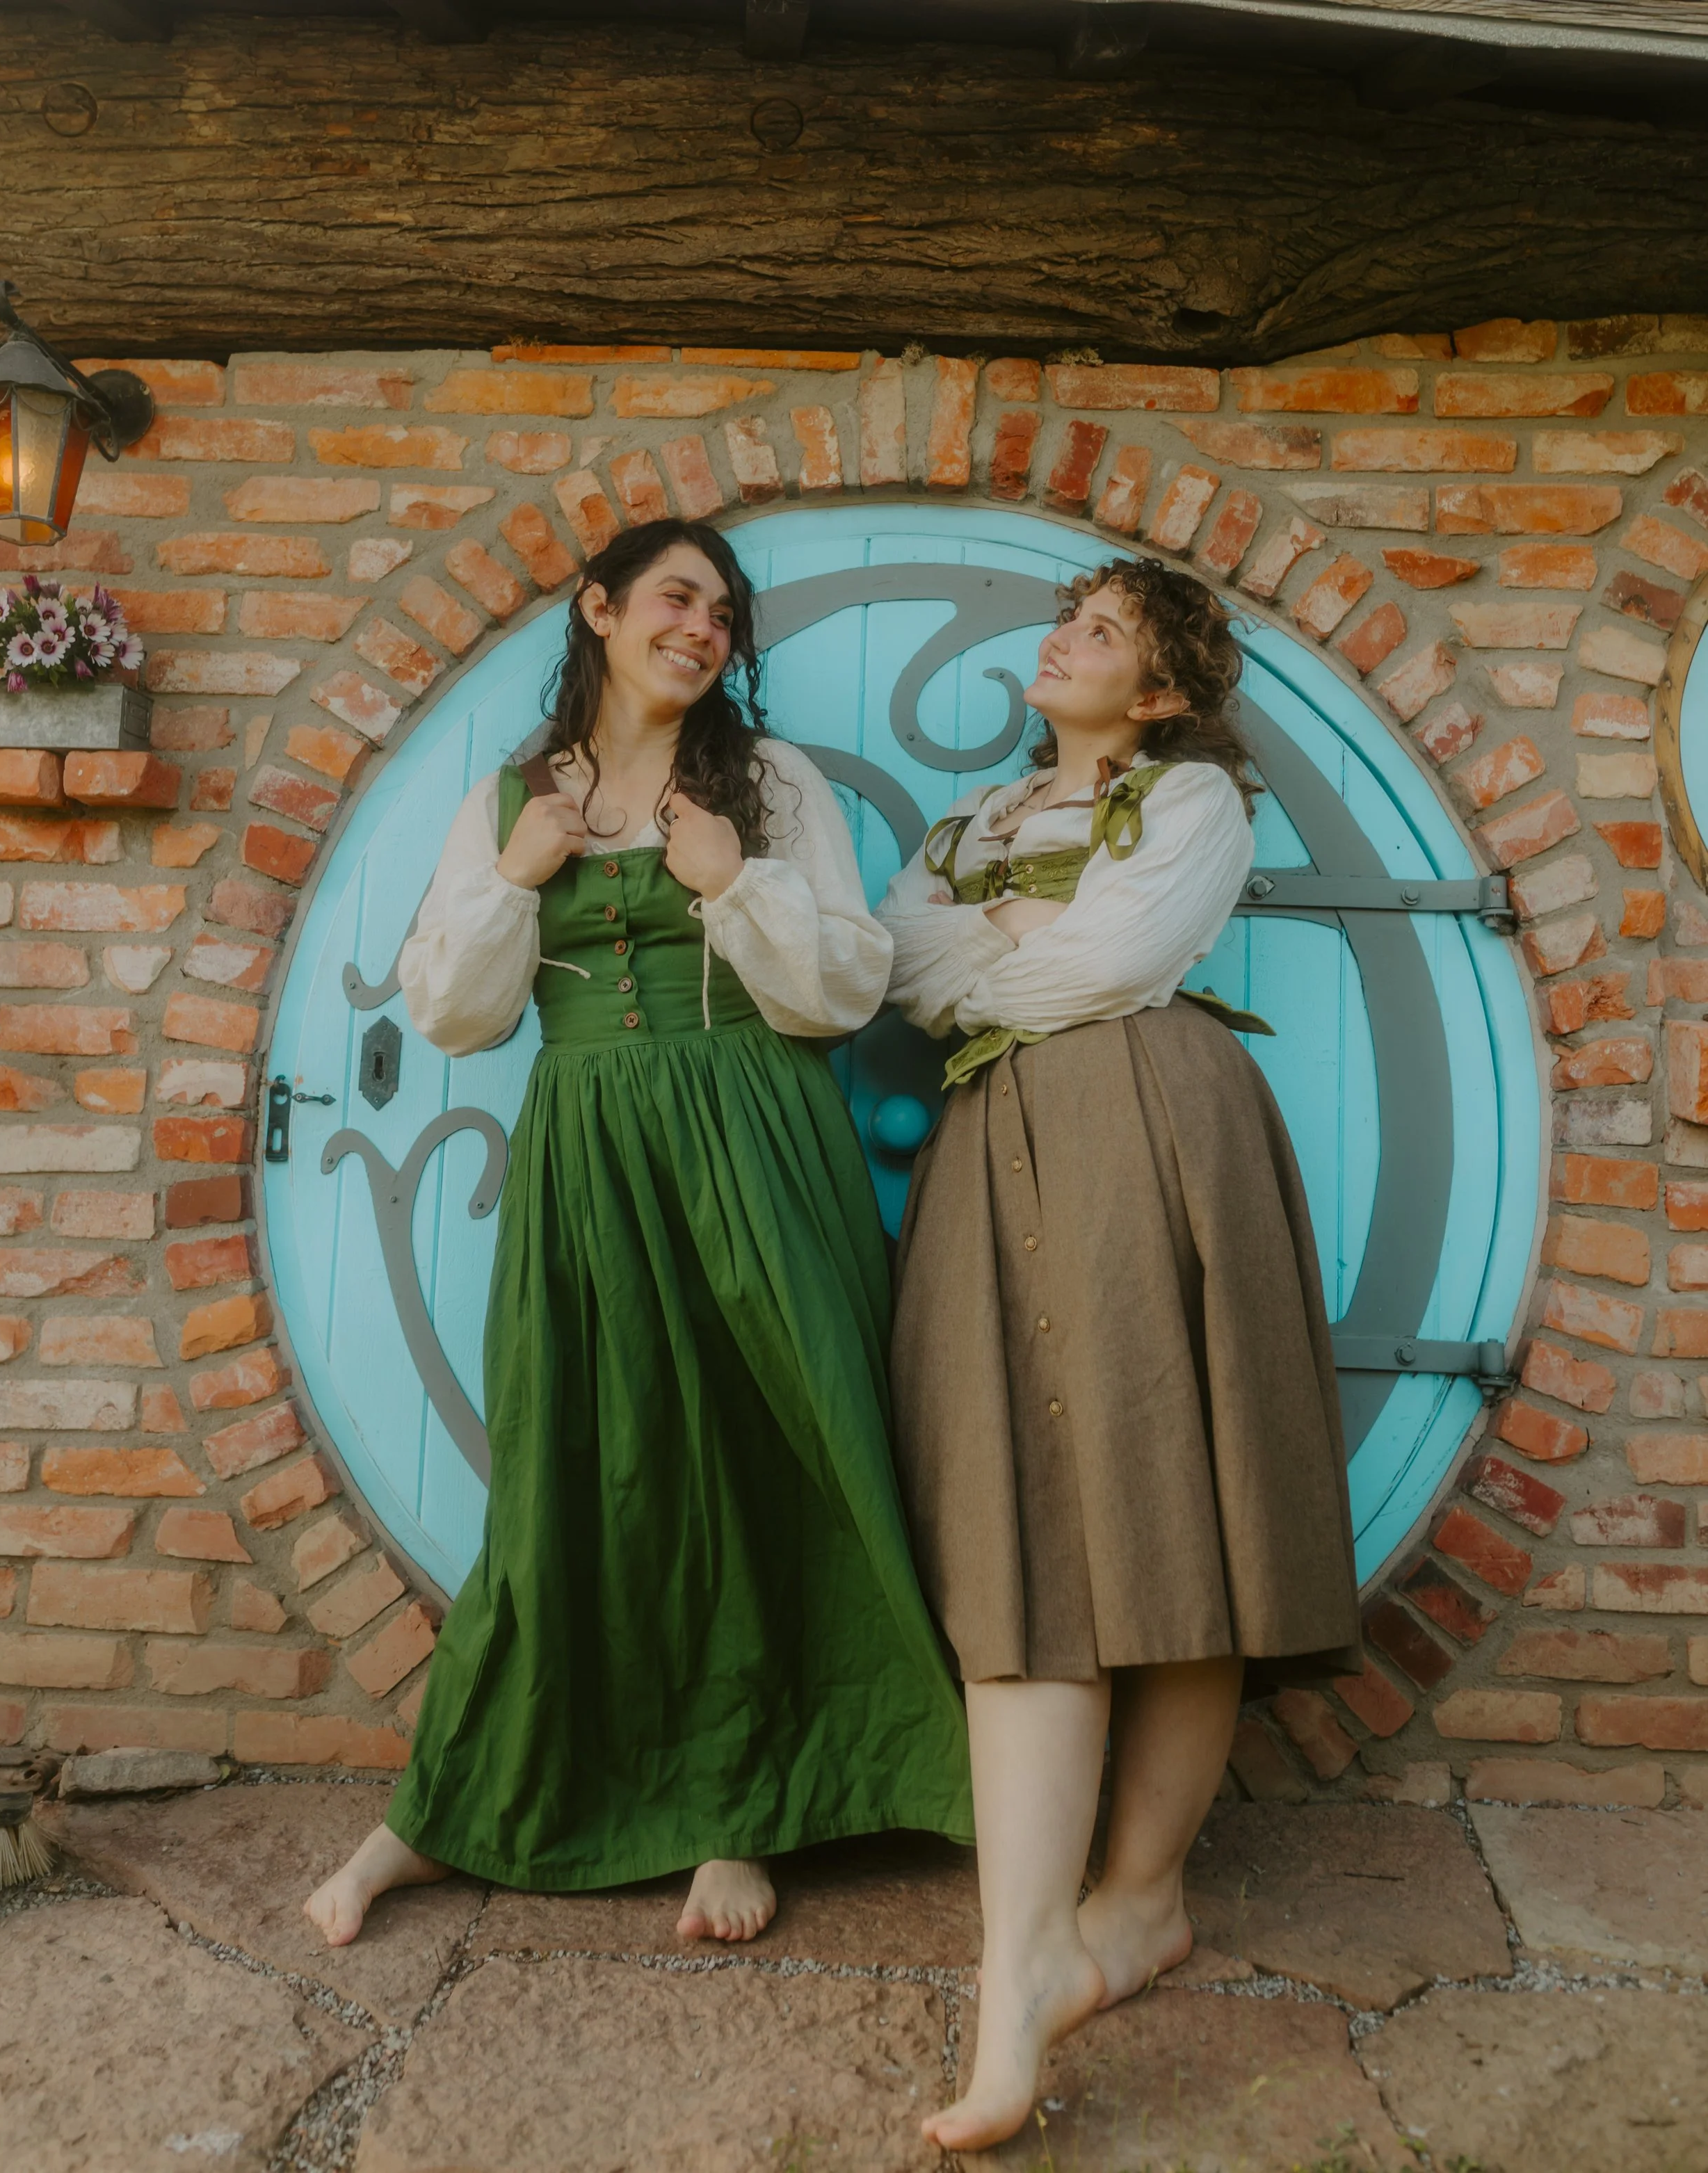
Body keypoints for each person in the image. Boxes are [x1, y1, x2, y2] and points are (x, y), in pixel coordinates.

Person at [305, 518, 970, 1949]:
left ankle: (737, 1809)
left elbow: (844, 987)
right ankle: (440, 1809)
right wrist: (517, 865)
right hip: (590, 1149)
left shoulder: (769, 783)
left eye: (724, 611)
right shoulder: (508, 797)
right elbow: (453, 1009)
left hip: (756, 1136)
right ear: (598, 608)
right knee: (567, 1463)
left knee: (753, 1452)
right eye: (676, 596)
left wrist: (733, 876)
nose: (703, 625)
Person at [879, 555, 1362, 2151]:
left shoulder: (1194, 800)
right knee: (1023, 1524)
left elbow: (1108, 962)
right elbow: (905, 970)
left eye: (1096, 633)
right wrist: (1010, 944)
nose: (1058, 644)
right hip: (993, 1151)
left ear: (1153, 691)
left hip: (1158, 1144)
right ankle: (1015, 1964)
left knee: (1181, 1499)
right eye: (1064, 623)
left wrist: (1004, 956)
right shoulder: (964, 829)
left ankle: (1140, 1894)